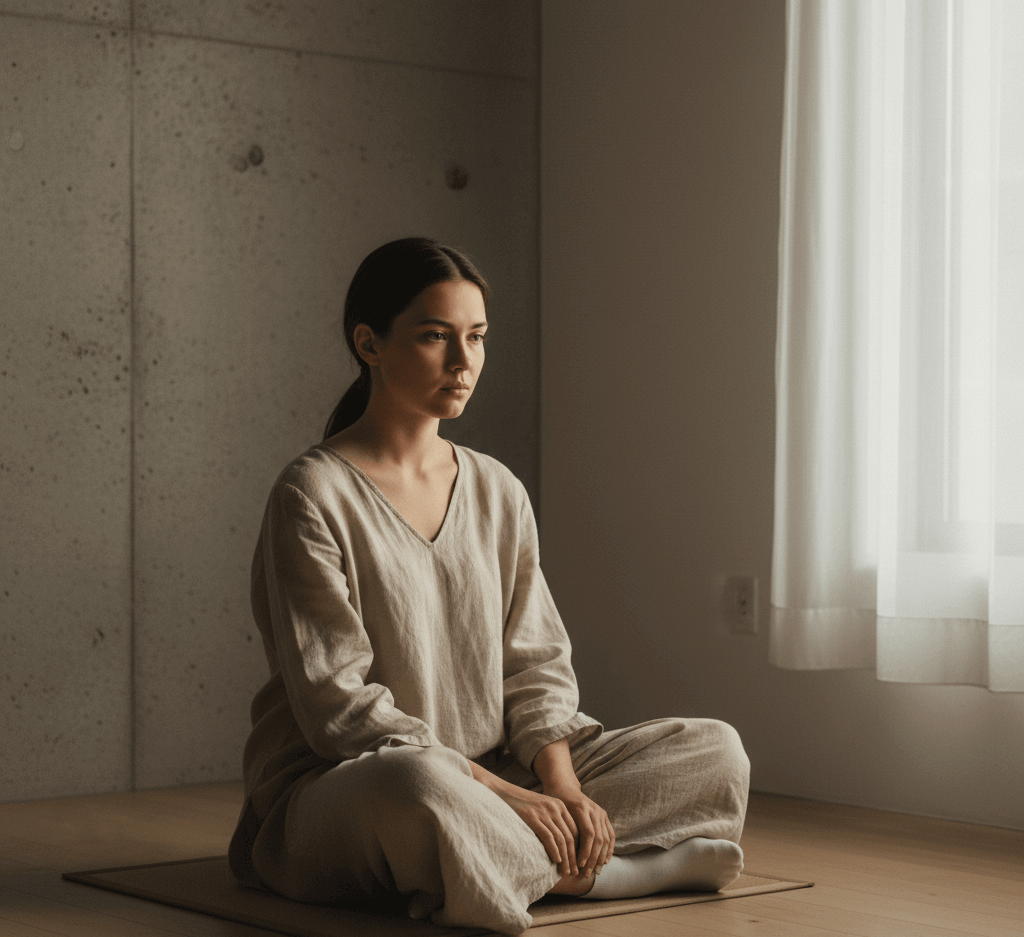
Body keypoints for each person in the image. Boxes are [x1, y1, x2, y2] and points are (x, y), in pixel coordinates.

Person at [228, 237, 750, 935]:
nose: (463, 361)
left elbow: (535, 665)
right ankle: (617, 875)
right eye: (434, 337)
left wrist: (562, 790)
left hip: (498, 769)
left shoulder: (496, 488)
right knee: (415, 789)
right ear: (369, 343)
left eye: (475, 337)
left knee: (715, 751)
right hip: (349, 783)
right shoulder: (312, 494)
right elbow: (340, 712)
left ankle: (482, 867)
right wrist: (504, 796)